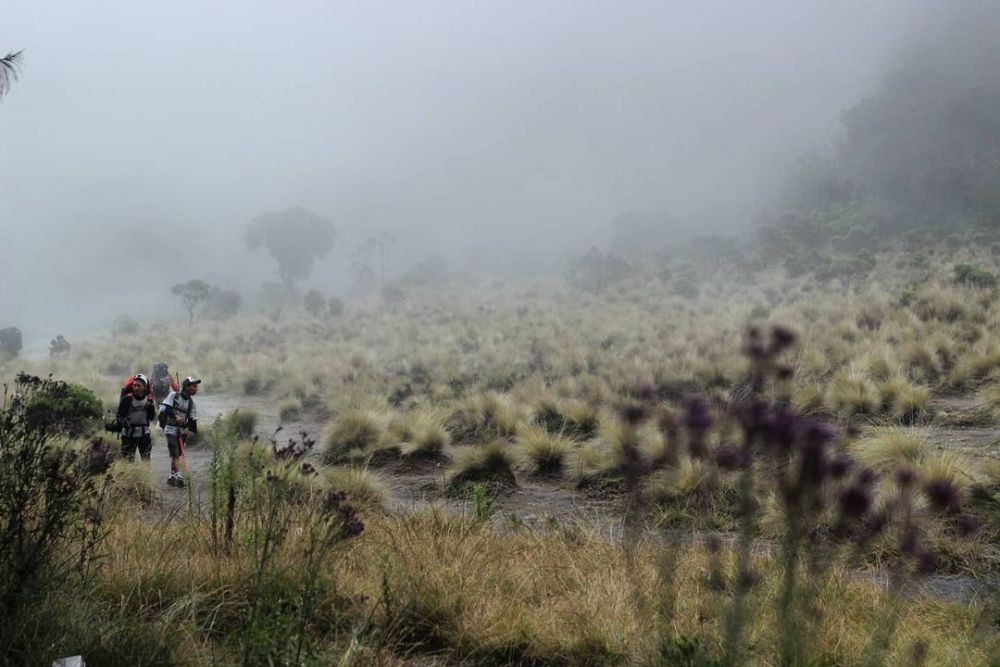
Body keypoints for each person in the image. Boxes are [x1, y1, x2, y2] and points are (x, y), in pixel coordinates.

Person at [158, 376, 201, 487]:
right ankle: (178, 474)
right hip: (170, 428)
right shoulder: (173, 395)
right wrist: (175, 416)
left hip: (182, 431)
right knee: (175, 451)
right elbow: (166, 408)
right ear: (187, 387)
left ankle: (172, 475)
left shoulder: (192, 403)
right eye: (194, 386)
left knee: (177, 454)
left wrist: (186, 426)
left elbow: (192, 420)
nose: (196, 389)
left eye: (196, 387)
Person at [115, 373, 156, 462]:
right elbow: (119, 416)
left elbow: (152, 417)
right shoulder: (127, 399)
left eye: (139, 386)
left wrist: (151, 407)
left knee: (146, 459)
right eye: (134, 385)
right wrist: (124, 422)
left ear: (145, 387)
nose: (136, 388)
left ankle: (146, 476)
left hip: (144, 434)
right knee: (127, 461)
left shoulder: (149, 400)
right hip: (128, 435)